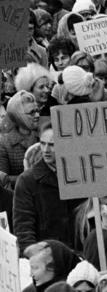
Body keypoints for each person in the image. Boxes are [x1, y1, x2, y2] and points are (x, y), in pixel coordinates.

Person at [13, 121, 84, 252]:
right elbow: (23, 228)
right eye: (42, 143)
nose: (45, 150)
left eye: (52, 145)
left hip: (80, 252)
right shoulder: (27, 181)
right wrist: (35, 257)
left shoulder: (81, 175)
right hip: (48, 256)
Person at [0, 90, 41, 188]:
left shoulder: (44, 136)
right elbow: (3, 179)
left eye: (37, 111)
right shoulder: (4, 143)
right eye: (32, 113)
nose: (37, 115)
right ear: (18, 115)